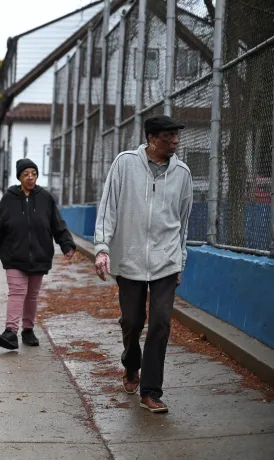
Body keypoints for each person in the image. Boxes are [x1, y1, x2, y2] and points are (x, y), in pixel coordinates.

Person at [94, 114, 193, 414]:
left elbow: (184, 223)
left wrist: (180, 261)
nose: (175, 141)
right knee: (133, 321)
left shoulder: (183, 173)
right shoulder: (125, 163)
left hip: (166, 261)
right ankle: (130, 364)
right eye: (168, 136)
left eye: (177, 136)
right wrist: (102, 248)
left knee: (161, 323)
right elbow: (108, 207)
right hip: (130, 258)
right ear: (151, 138)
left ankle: (151, 391)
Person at [0, 158, 76, 350]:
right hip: (14, 255)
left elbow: (57, 225)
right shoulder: (9, 198)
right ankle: (10, 332)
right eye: (26, 174)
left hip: (40, 254)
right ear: (19, 177)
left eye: (34, 174)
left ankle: (27, 329)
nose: (30, 177)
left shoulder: (45, 198)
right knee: (17, 292)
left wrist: (67, 245)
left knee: (32, 295)